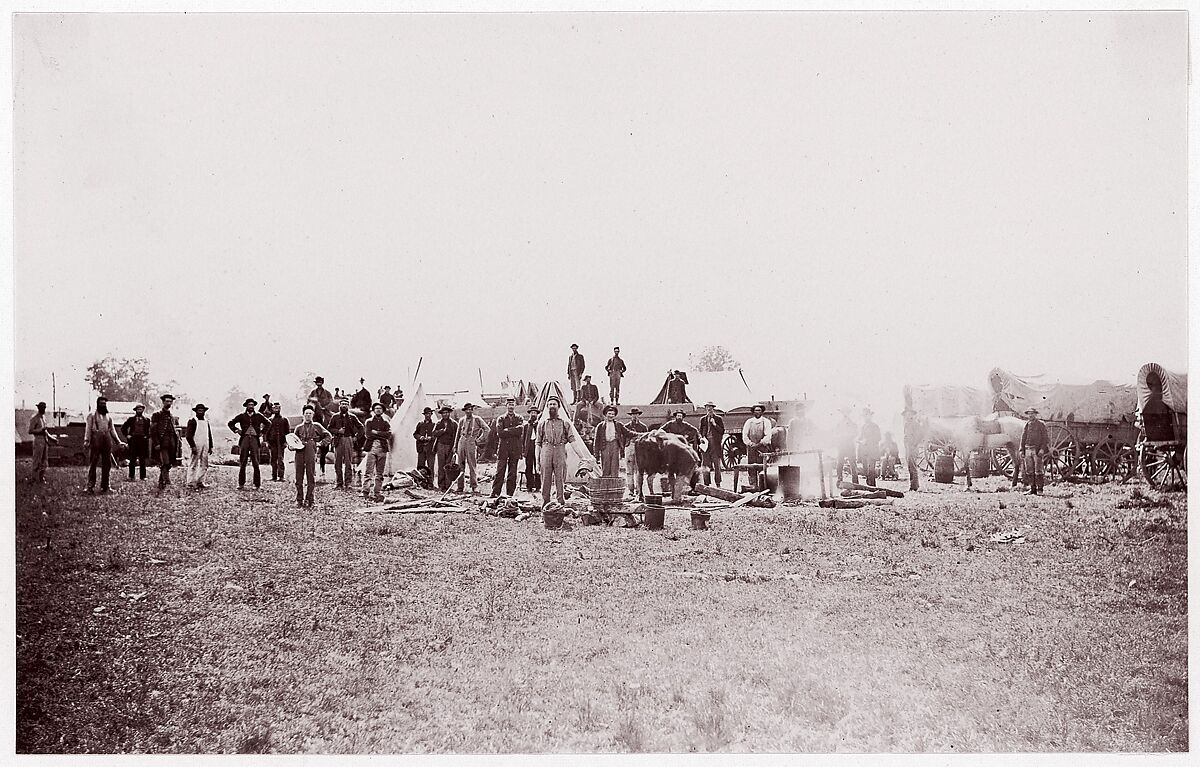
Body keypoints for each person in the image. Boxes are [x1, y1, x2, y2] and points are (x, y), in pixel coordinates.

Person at [293, 404, 332, 507]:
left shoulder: (317, 426)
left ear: (313, 415)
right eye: (306, 413)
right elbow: (293, 440)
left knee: (310, 474)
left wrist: (320, 444)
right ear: (303, 415)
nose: (308, 415)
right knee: (298, 475)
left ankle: (310, 499)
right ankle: (299, 499)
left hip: (311, 448)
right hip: (299, 450)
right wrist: (291, 446)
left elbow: (328, 436)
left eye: (310, 413)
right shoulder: (298, 428)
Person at [537, 397, 574, 506]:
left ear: (559, 407)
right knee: (545, 481)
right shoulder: (542, 424)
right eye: (550, 404)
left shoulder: (565, 423)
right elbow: (538, 444)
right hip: (546, 452)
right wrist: (537, 460)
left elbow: (573, 441)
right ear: (547, 407)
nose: (552, 406)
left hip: (560, 451)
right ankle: (545, 506)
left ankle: (560, 505)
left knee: (560, 480)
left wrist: (583, 457)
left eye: (554, 404)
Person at [228, 398, 272, 489]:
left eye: (252, 405)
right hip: (244, 439)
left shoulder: (259, 416)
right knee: (243, 461)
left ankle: (257, 485)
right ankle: (241, 484)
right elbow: (230, 423)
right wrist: (237, 430)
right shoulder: (241, 416)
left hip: (255, 440)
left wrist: (262, 432)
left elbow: (268, 423)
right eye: (249, 405)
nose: (251, 407)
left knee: (256, 462)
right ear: (246, 406)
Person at [85, 396, 125, 494]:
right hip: (96, 439)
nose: (103, 405)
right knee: (93, 462)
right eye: (101, 403)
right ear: (97, 404)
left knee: (107, 464)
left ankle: (106, 486)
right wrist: (87, 440)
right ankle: (90, 487)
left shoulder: (108, 416)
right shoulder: (92, 415)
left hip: (106, 440)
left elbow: (112, 430)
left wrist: (118, 441)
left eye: (104, 403)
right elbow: (88, 428)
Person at [453, 403, 490, 494]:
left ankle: (474, 486)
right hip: (462, 442)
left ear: (472, 410)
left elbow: (487, 429)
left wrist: (479, 440)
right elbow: (458, 434)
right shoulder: (462, 420)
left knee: (472, 465)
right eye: (467, 410)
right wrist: (455, 446)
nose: (468, 411)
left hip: (471, 442)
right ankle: (460, 486)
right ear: (464, 411)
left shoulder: (477, 419)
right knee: (460, 465)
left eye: (470, 409)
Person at [491, 398, 524, 497]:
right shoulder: (501, 418)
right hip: (503, 449)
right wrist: (513, 431)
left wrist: (507, 430)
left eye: (512, 404)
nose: (511, 406)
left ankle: (510, 494)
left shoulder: (519, 418)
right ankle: (495, 493)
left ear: (515, 406)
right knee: (500, 471)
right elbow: (500, 433)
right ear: (506, 406)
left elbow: (520, 431)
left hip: (515, 448)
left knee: (512, 472)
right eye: (509, 404)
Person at [328, 398, 364, 490]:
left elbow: (361, 427)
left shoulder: (352, 417)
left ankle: (348, 483)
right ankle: (339, 483)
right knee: (337, 462)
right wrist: (337, 431)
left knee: (348, 462)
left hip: (348, 440)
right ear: (339, 405)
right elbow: (329, 428)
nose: (344, 405)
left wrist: (356, 437)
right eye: (342, 404)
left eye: (346, 404)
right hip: (338, 440)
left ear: (348, 406)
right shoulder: (335, 417)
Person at [361, 402, 391, 501]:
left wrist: (377, 432)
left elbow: (389, 434)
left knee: (380, 473)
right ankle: (365, 491)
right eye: (376, 408)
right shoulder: (369, 422)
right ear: (373, 410)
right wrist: (381, 435)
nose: (378, 410)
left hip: (382, 449)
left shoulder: (386, 422)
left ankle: (377, 492)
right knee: (368, 471)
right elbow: (368, 435)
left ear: (382, 411)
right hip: (371, 447)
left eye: (380, 408)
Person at [149, 394, 179, 490]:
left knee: (169, 463)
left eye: (170, 401)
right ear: (163, 402)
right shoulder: (157, 415)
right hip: (162, 443)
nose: (169, 403)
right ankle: (167, 481)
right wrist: (156, 443)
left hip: (172, 443)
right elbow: (153, 431)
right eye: (167, 401)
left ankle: (161, 482)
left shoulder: (171, 415)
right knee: (165, 462)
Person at [741, 404, 774, 490]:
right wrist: (750, 443)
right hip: (751, 449)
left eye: (759, 410)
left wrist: (760, 443)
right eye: (756, 410)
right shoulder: (749, 422)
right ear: (753, 412)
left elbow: (768, 435)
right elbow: (745, 435)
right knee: (751, 467)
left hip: (762, 448)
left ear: (762, 412)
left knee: (762, 467)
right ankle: (753, 486)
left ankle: (762, 486)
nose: (757, 412)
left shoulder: (766, 422)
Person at [593, 405, 631, 478]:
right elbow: (596, 441)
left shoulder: (618, 425)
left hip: (615, 446)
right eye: (609, 414)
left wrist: (640, 434)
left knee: (614, 466)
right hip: (604, 446)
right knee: (605, 466)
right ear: (605, 414)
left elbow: (628, 432)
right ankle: (605, 484)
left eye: (613, 414)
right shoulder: (600, 426)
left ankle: (614, 483)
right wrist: (596, 454)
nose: (611, 416)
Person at [185, 403, 214, 489]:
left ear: (205, 412)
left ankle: (200, 481)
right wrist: (192, 446)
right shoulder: (192, 421)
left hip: (205, 444)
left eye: (202, 410)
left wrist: (211, 446)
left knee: (204, 464)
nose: (201, 412)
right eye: (199, 410)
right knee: (193, 463)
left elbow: (209, 434)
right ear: (196, 411)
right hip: (196, 444)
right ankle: (190, 482)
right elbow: (188, 435)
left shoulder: (206, 421)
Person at [1021, 407, 1049, 495]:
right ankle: (1032, 489)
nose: (1030, 415)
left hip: (1036, 451)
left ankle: (1040, 489)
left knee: (1038, 470)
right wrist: (1022, 450)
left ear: (1035, 414)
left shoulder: (1041, 424)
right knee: (1029, 470)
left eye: (1032, 413)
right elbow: (1023, 438)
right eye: (1029, 413)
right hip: (1027, 449)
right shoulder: (1027, 425)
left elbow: (1045, 439)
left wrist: (1042, 449)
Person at [120, 403, 151, 481]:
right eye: (138, 409)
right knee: (132, 459)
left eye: (141, 409)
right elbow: (123, 428)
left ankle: (143, 476)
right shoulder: (131, 419)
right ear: (135, 410)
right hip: (133, 440)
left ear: (143, 410)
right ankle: (131, 476)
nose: (139, 411)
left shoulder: (146, 420)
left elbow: (150, 431)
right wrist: (127, 435)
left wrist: (147, 436)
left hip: (142, 441)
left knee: (142, 459)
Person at [698, 401, 726, 487]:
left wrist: (714, 424)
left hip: (715, 444)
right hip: (705, 445)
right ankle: (707, 484)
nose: (709, 409)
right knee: (705, 465)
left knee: (716, 465)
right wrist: (701, 438)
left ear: (713, 408)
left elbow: (722, 431)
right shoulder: (703, 419)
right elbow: (700, 431)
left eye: (710, 407)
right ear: (706, 408)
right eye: (707, 407)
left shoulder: (718, 419)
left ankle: (718, 483)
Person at [624, 407, 650, 497]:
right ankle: (631, 490)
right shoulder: (626, 426)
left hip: (640, 449)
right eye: (633, 414)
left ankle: (639, 490)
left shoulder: (643, 427)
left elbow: (647, 439)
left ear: (639, 415)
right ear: (631, 416)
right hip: (629, 447)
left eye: (636, 414)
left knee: (639, 470)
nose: (635, 416)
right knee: (629, 470)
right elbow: (623, 438)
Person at [432, 406, 459, 490]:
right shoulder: (439, 423)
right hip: (441, 446)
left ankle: (448, 485)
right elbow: (434, 433)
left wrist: (454, 447)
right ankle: (441, 485)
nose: (445, 414)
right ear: (441, 414)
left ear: (449, 413)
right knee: (441, 466)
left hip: (450, 446)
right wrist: (442, 431)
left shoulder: (454, 424)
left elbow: (457, 436)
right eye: (444, 413)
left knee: (449, 466)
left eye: (447, 413)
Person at [857, 408, 882, 487]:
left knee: (871, 471)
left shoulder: (875, 426)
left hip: (872, 452)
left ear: (870, 416)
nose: (865, 417)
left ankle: (873, 488)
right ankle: (869, 488)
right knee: (866, 471)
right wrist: (858, 440)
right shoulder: (863, 427)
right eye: (864, 416)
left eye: (867, 415)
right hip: (864, 452)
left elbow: (878, 437)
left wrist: (867, 441)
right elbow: (861, 437)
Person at [27, 401, 51, 485]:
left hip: (45, 441)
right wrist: (40, 430)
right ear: (38, 408)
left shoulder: (43, 418)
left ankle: (41, 478)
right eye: (42, 408)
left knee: (44, 460)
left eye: (44, 408)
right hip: (38, 440)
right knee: (37, 460)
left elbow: (45, 431)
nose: (43, 409)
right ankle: (34, 478)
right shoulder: (34, 418)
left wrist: (52, 438)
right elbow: (30, 431)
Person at [267, 402, 291, 481]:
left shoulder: (284, 420)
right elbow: (267, 432)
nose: (276, 409)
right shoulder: (270, 420)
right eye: (275, 408)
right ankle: (274, 476)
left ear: (280, 409)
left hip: (281, 442)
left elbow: (288, 432)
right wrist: (267, 442)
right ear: (272, 409)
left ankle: (281, 476)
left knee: (280, 459)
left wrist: (286, 442)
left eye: (277, 408)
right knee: (273, 459)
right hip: (272, 442)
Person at [902, 407, 922, 492]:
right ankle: (913, 485)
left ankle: (914, 485)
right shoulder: (906, 424)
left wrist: (913, 445)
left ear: (912, 415)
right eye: (906, 414)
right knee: (909, 466)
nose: (907, 415)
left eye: (909, 414)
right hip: (907, 447)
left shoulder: (915, 424)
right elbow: (905, 435)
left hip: (913, 447)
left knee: (913, 466)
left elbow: (918, 436)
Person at [522, 406, 541, 494]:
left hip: (537, 448)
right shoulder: (526, 426)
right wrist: (523, 450)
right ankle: (529, 486)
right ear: (529, 414)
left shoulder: (540, 425)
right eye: (532, 413)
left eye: (535, 413)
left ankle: (538, 486)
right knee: (528, 468)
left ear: (537, 414)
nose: (533, 414)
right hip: (529, 448)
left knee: (537, 468)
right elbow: (523, 438)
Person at [413, 407, 436, 477]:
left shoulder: (434, 425)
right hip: (421, 448)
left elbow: (436, 435)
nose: (428, 415)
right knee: (420, 465)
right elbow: (415, 434)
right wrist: (420, 437)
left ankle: (430, 482)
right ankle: (420, 481)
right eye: (426, 414)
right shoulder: (420, 424)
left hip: (430, 448)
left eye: (429, 414)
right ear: (424, 415)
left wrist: (431, 438)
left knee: (430, 466)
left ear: (431, 414)